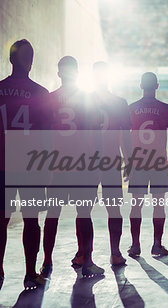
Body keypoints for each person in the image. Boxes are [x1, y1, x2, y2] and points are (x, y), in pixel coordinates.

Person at [43, 56, 104, 278]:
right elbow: (95, 135)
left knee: (52, 214)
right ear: (77, 73)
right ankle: (87, 262)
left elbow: (43, 136)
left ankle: (47, 262)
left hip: (56, 165)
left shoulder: (49, 99)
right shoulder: (87, 98)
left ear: (59, 73)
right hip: (82, 164)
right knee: (84, 213)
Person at [0, 39, 51, 289]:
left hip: (5, 164)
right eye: (27, 56)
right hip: (30, 165)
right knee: (31, 219)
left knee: (2, 219)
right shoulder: (40, 93)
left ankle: (0, 272)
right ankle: (30, 273)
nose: (29, 60)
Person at [127, 72, 168, 257]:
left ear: (141, 86)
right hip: (158, 161)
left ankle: (135, 246)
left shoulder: (131, 108)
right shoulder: (166, 108)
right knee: (159, 204)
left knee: (136, 204)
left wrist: (127, 160)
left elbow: (123, 136)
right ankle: (157, 245)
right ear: (157, 86)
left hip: (138, 161)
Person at [91, 61, 132, 265]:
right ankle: (115, 252)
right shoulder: (119, 103)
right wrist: (129, 159)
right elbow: (126, 136)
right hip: (109, 161)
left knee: (84, 209)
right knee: (114, 208)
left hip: (87, 161)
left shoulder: (83, 100)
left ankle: (84, 255)